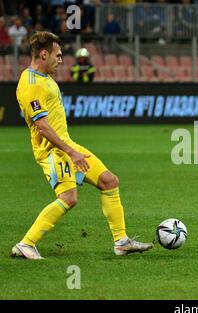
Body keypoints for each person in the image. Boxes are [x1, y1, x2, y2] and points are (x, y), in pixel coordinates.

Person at [12, 31, 152, 260]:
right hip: (53, 151)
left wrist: (71, 149)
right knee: (69, 198)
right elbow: (43, 127)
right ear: (44, 53)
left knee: (109, 181)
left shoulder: (44, 78)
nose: (60, 59)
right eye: (57, 55)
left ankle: (121, 242)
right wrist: (71, 152)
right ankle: (26, 244)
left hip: (66, 146)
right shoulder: (30, 84)